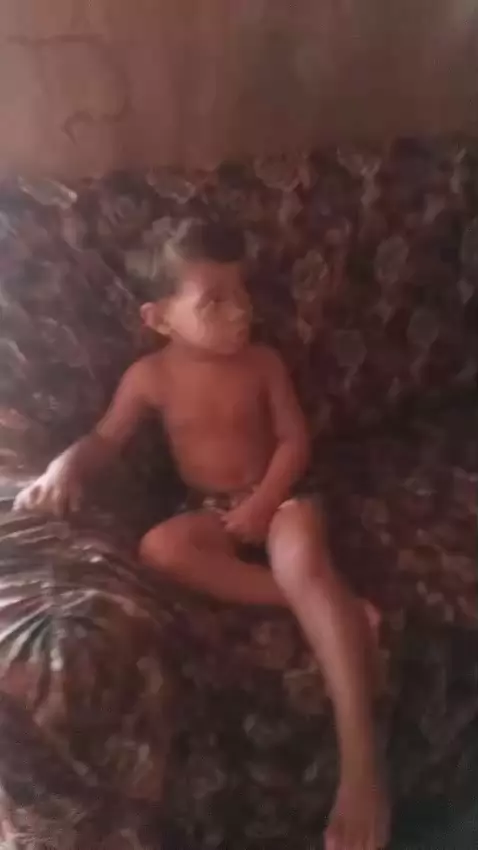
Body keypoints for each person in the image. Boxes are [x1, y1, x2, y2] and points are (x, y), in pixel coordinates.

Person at [15, 218, 390, 850]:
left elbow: (295, 441)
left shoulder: (263, 362)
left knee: (302, 558)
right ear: (160, 318)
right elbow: (105, 439)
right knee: (159, 548)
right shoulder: (149, 378)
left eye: (241, 293)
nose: (240, 311)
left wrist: (264, 502)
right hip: (210, 509)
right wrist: (64, 467)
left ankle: (362, 769)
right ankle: (334, 608)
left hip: (281, 497)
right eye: (214, 301)